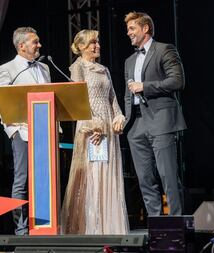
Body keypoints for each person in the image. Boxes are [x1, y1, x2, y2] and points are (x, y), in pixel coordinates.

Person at [60, 29, 129, 234]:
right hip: (90, 127)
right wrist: (93, 126)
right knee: (93, 176)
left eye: (97, 42)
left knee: (108, 174)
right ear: (81, 47)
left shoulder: (104, 69)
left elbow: (113, 99)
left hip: (107, 126)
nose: (97, 46)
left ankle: (109, 227)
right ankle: (93, 228)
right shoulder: (78, 67)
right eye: (92, 43)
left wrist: (118, 117)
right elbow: (79, 100)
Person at [123, 12, 187, 216]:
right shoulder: (129, 61)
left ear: (145, 28)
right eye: (128, 29)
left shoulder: (164, 50)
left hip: (161, 121)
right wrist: (125, 121)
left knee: (168, 176)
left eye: (132, 28)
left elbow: (177, 81)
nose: (128, 33)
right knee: (145, 180)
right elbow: (127, 94)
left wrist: (145, 86)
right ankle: (156, 227)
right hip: (136, 125)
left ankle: (176, 227)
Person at [0, 27, 50, 235]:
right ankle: (21, 228)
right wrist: (13, 131)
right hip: (23, 132)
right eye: (35, 42)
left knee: (45, 179)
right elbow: (2, 102)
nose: (39, 45)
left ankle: (45, 225)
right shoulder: (8, 68)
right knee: (22, 180)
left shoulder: (44, 68)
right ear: (21, 46)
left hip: (45, 131)